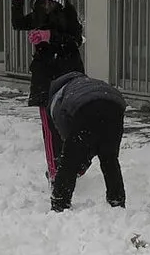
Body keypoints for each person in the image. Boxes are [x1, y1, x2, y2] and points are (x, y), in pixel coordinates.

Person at [6, 0, 89, 183]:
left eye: (51, 1)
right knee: (50, 130)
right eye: (42, 1)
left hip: (69, 77)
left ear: (59, 0)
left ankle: (77, 164)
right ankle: (55, 174)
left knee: (74, 124)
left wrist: (49, 36)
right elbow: (17, 23)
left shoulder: (68, 16)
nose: (46, 5)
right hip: (44, 80)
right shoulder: (37, 15)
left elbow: (75, 40)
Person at [47, 71, 127, 213]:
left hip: (86, 108)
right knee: (110, 159)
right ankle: (117, 201)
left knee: (69, 161)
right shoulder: (87, 83)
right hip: (114, 107)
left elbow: (64, 129)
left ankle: (60, 203)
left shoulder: (56, 98)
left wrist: (75, 151)